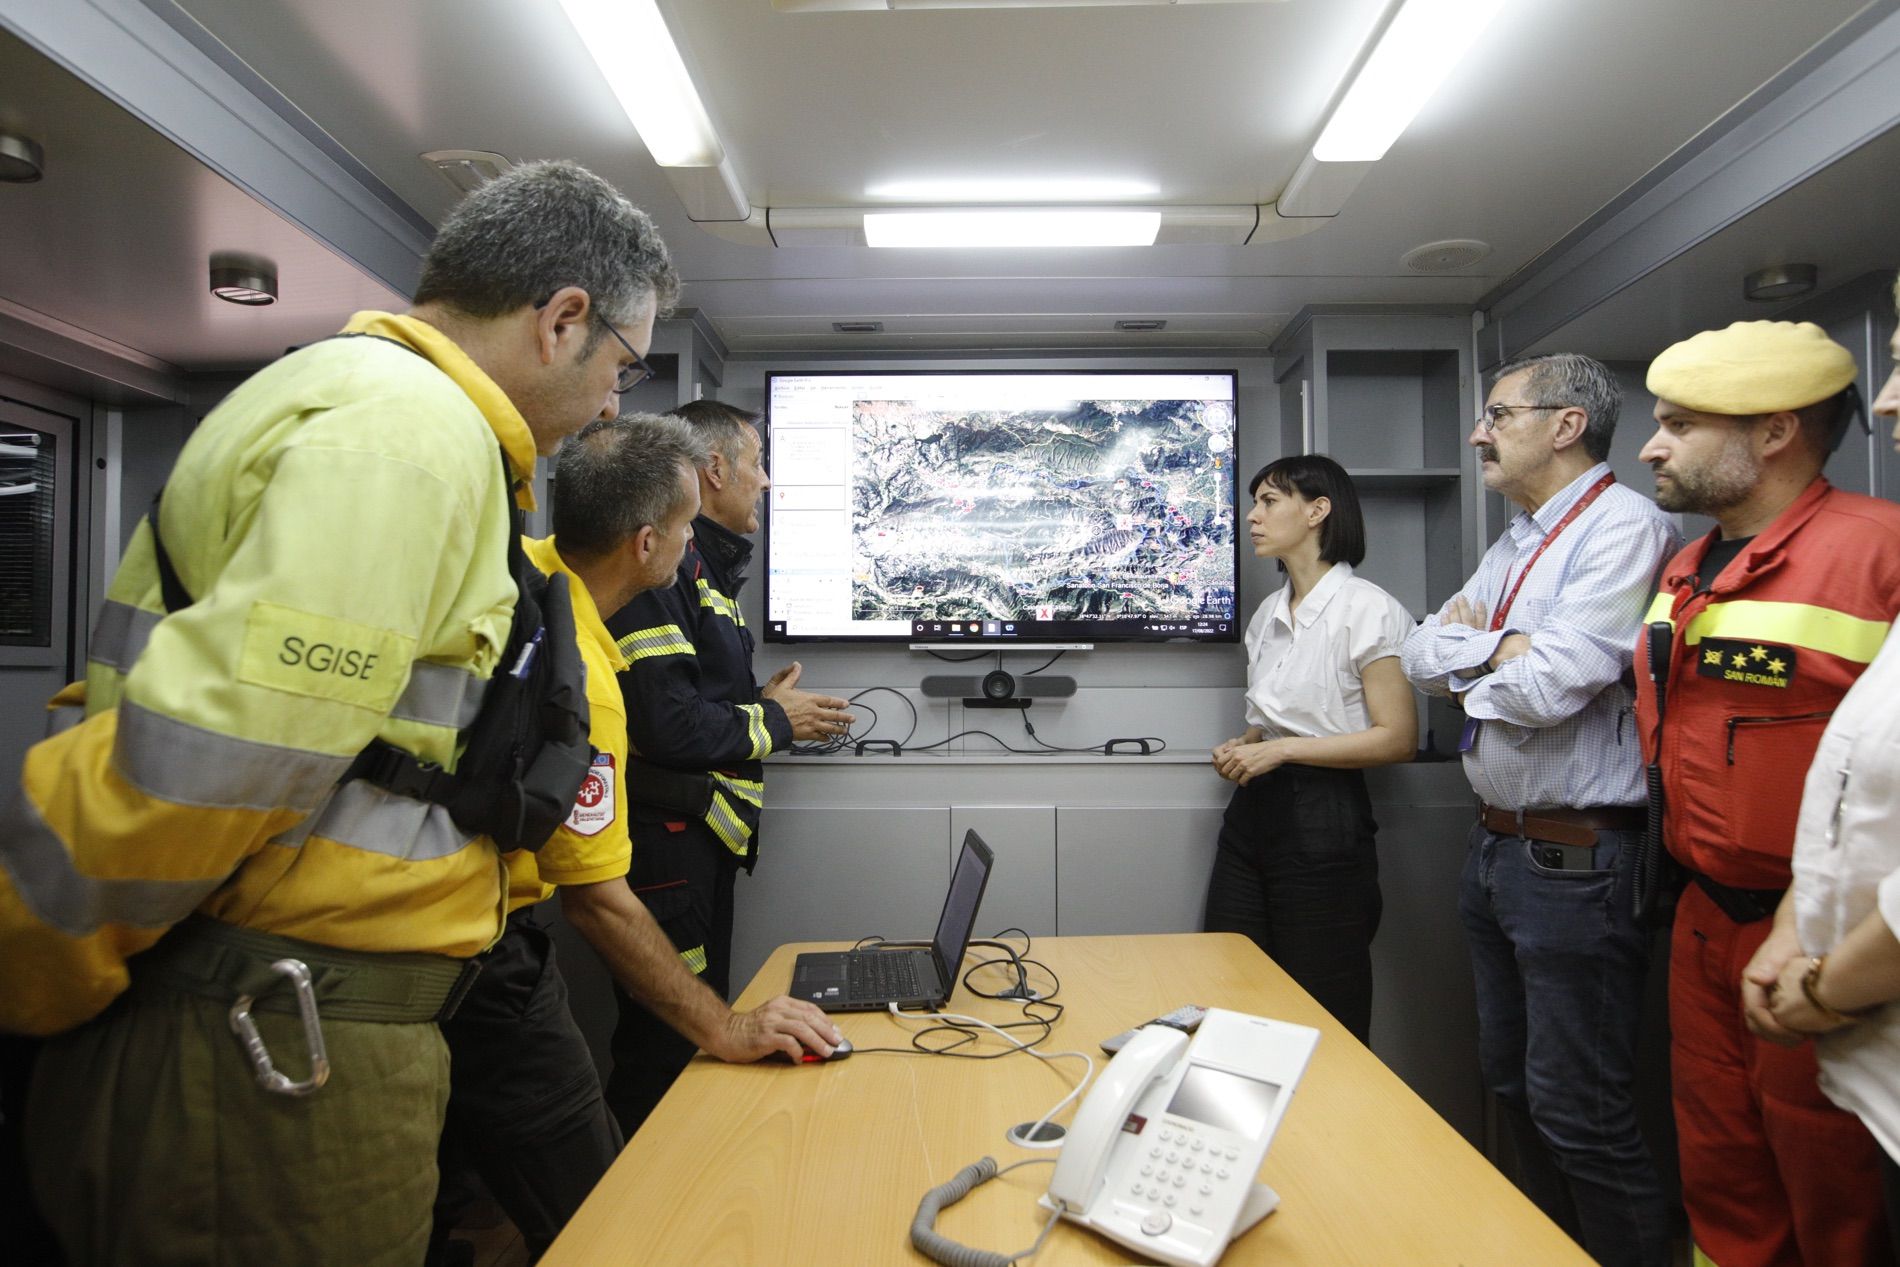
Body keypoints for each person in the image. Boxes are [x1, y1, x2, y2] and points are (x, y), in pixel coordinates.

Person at [0, 159, 673, 1265]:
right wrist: (29, 974)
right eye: (624, 367)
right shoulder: (404, 437)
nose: (613, 402)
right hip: (263, 1039)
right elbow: (214, 758)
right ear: (563, 320)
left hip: (286, 1019)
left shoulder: (397, 419)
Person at [431, 414, 843, 1261]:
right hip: (483, 949)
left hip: (433, 946)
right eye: (687, 528)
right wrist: (728, 1027)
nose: (693, 548)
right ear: (649, 542)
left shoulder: (523, 574)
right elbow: (598, 902)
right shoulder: (594, 690)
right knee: (602, 1208)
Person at [1633, 319, 1900, 1267]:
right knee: (1722, 1173)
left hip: (1832, 936)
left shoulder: (1880, 555)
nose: (1651, 445)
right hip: (1702, 916)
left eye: (1679, 425)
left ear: (1776, 432)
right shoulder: (1685, 567)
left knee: (1836, 1190)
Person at [1401, 352, 1677, 1267]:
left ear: (1565, 425)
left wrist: (1475, 656)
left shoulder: (1622, 527)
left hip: (1579, 860)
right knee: (1512, 1085)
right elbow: (1414, 651)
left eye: (1497, 413)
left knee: (1582, 1112)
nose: (1480, 432)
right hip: (1498, 853)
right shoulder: (1519, 537)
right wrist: (1500, 649)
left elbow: (1553, 684)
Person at [602, 399, 854, 1134]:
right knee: (667, 1041)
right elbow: (660, 720)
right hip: (665, 845)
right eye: (758, 463)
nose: (767, 483)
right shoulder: (662, 565)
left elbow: (690, 702)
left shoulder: (705, 567)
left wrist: (754, 702)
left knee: (690, 1026)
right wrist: (775, 719)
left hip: (697, 842)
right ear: (715, 470)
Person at [1741, 292, 1900, 1264]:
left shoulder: (1873, 545)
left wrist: (1822, 985)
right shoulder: (1692, 565)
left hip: (1843, 987)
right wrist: (1797, 926)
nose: (1883, 404)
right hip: (1784, 943)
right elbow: (1851, 790)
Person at [1202, 454, 1415, 1045]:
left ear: (1318, 510)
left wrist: (1282, 752)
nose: (1253, 517)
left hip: (1325, 817)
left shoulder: (1368, 609)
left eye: (1270, 501)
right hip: (1253, 813)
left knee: (1326, 1004)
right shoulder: (1267, 614)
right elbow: (1270, 722)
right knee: (1230, 981)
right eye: (1256, 502)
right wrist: (1244, 747)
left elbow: (1397, 738)